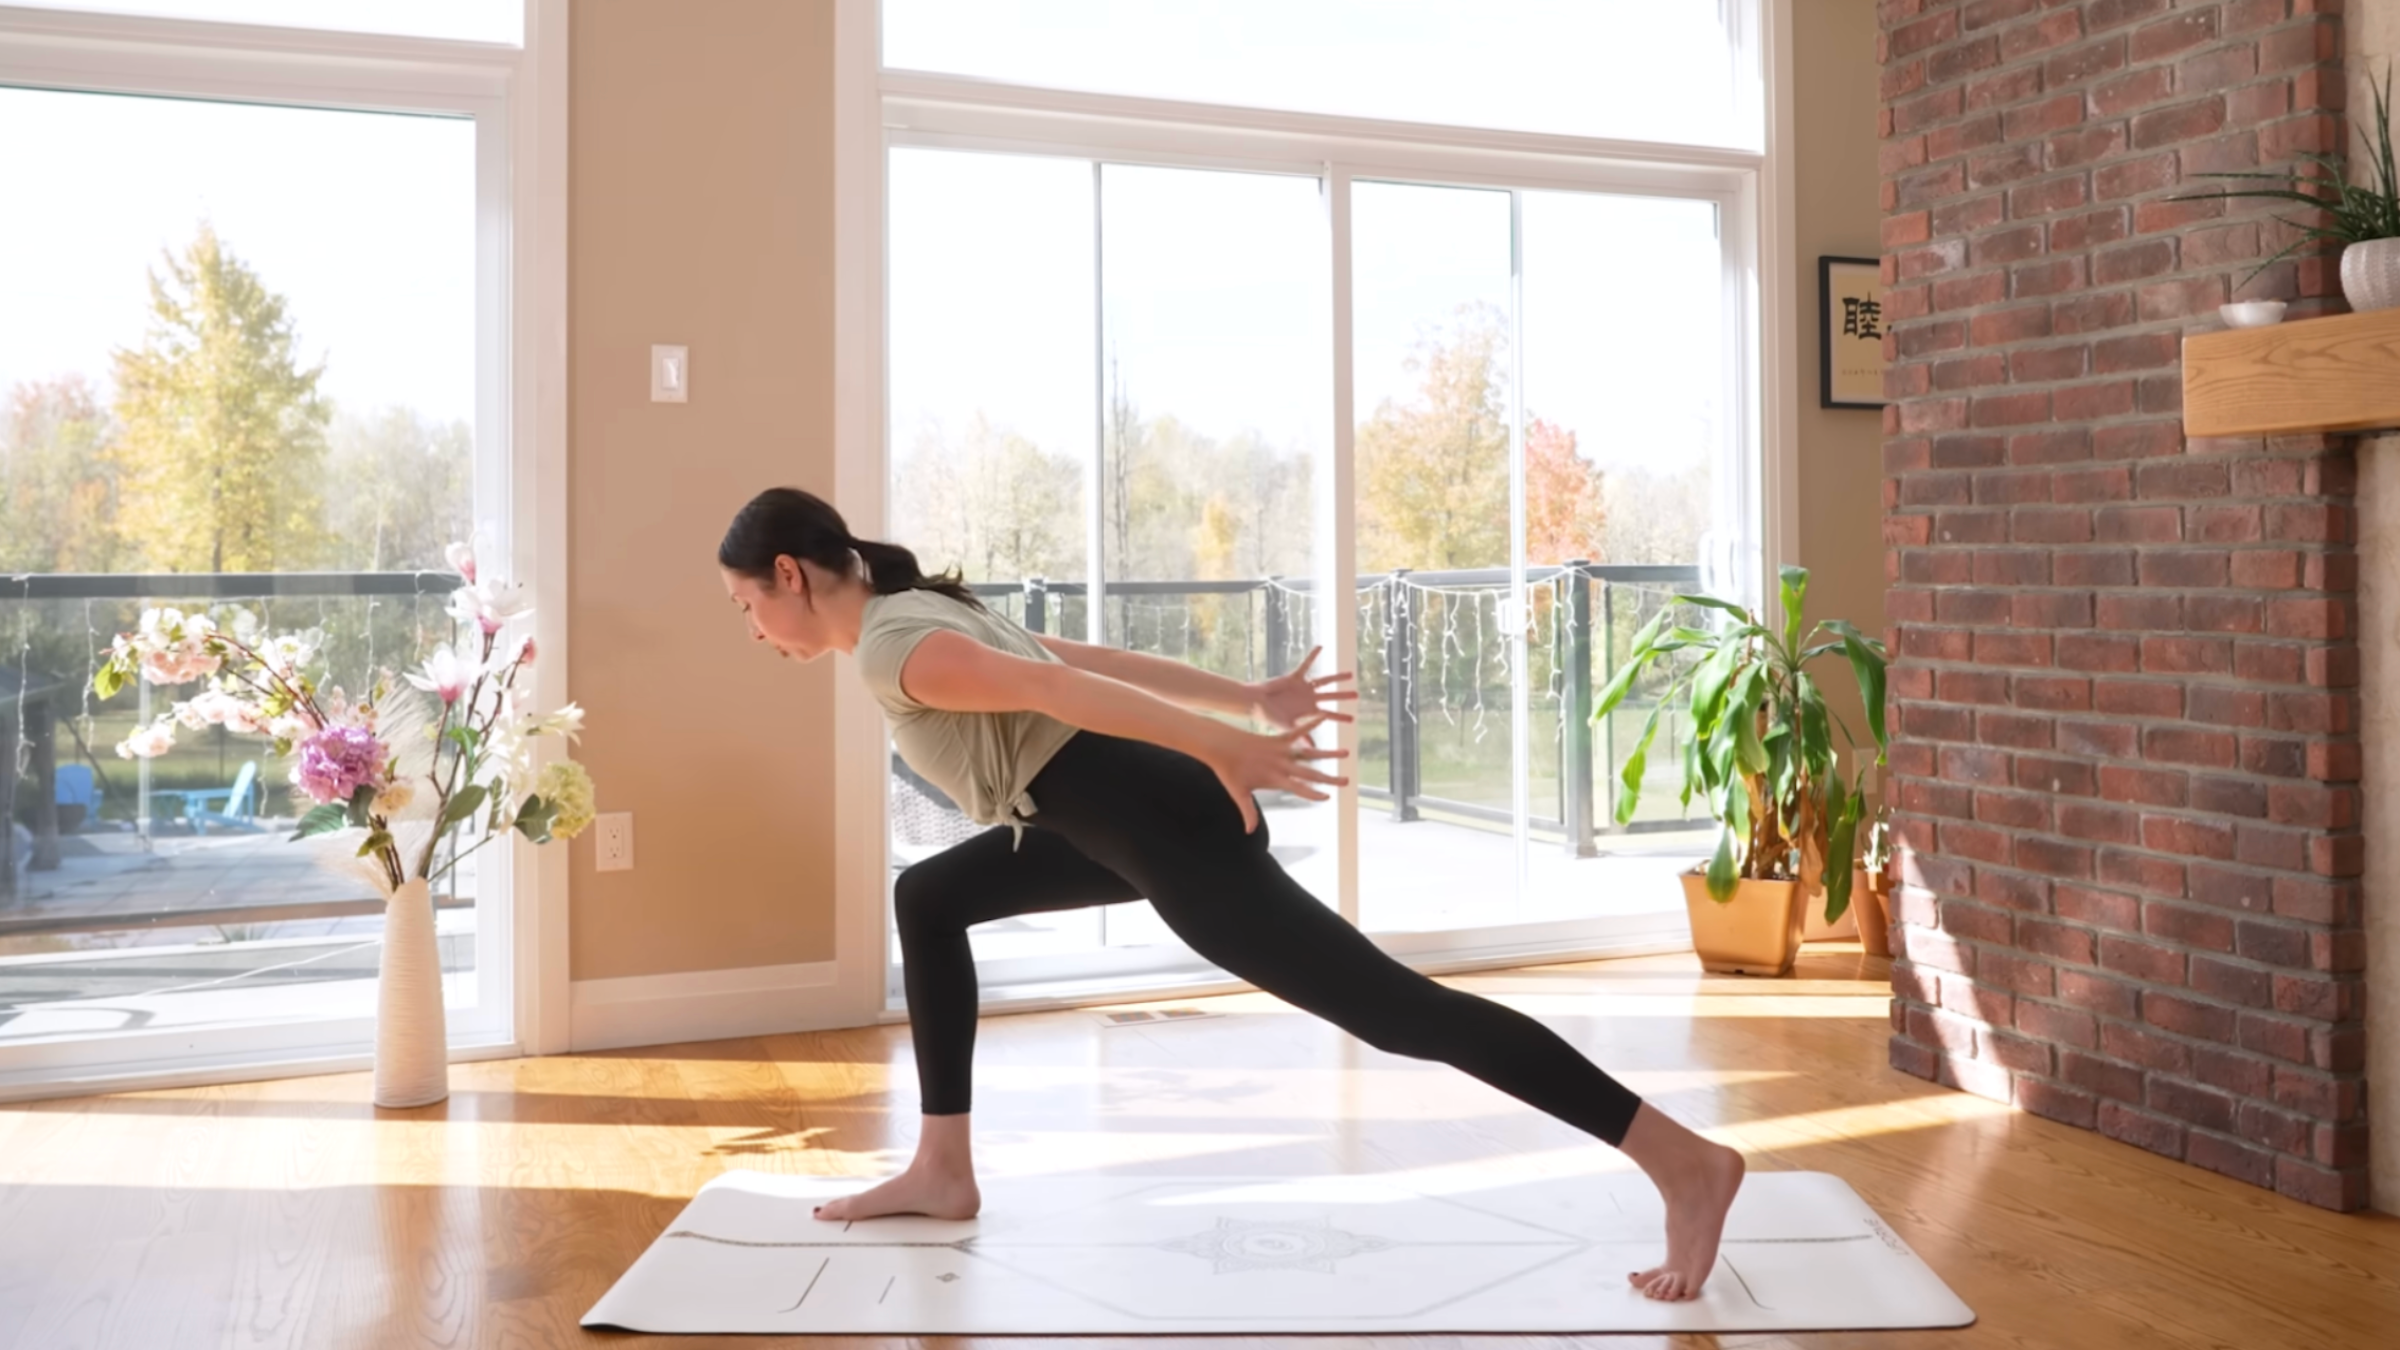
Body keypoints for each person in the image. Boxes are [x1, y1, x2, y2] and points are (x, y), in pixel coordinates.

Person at [717, 486, 1745, 1303]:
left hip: (1149, 818)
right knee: (934, 898)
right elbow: (1075, 657)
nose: (752, 631)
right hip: (1093, 815)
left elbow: (1057, 691)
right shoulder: (913, 613)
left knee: (1396, 1012)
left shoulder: (896, 650)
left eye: (747, 606)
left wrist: (1228, 746)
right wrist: (1241, 695)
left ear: (790, 576)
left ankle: (1680, 1160)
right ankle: (944, 1170)